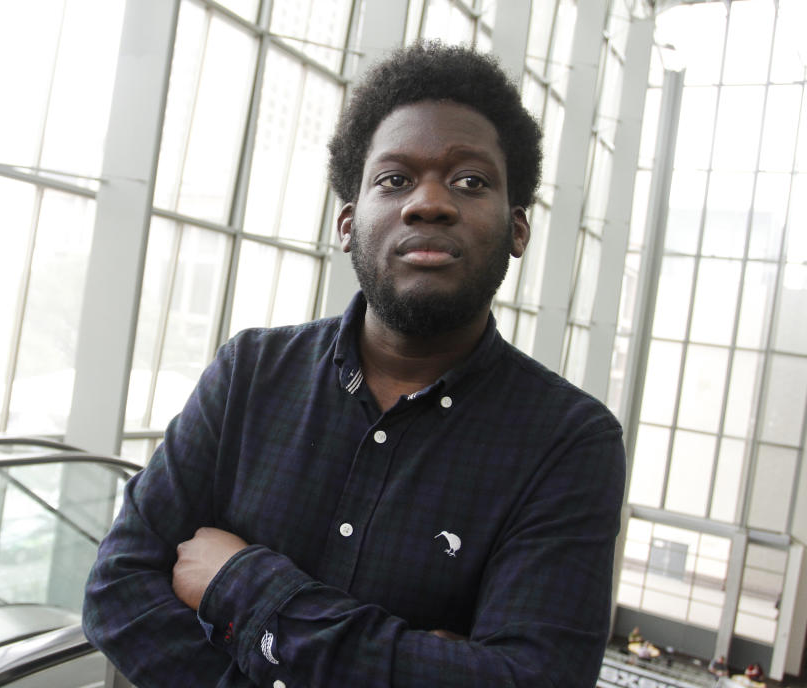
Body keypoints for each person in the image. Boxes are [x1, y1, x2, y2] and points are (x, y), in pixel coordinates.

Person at [82, 41, 626, 687]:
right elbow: (118, 590)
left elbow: (534, 681)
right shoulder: (251, 373)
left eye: (470, 181)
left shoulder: (568, 442)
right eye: (394, 180)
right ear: (347, 222)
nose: (430, 203)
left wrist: (243, 586)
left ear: (516, 229)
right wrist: (424, 662)